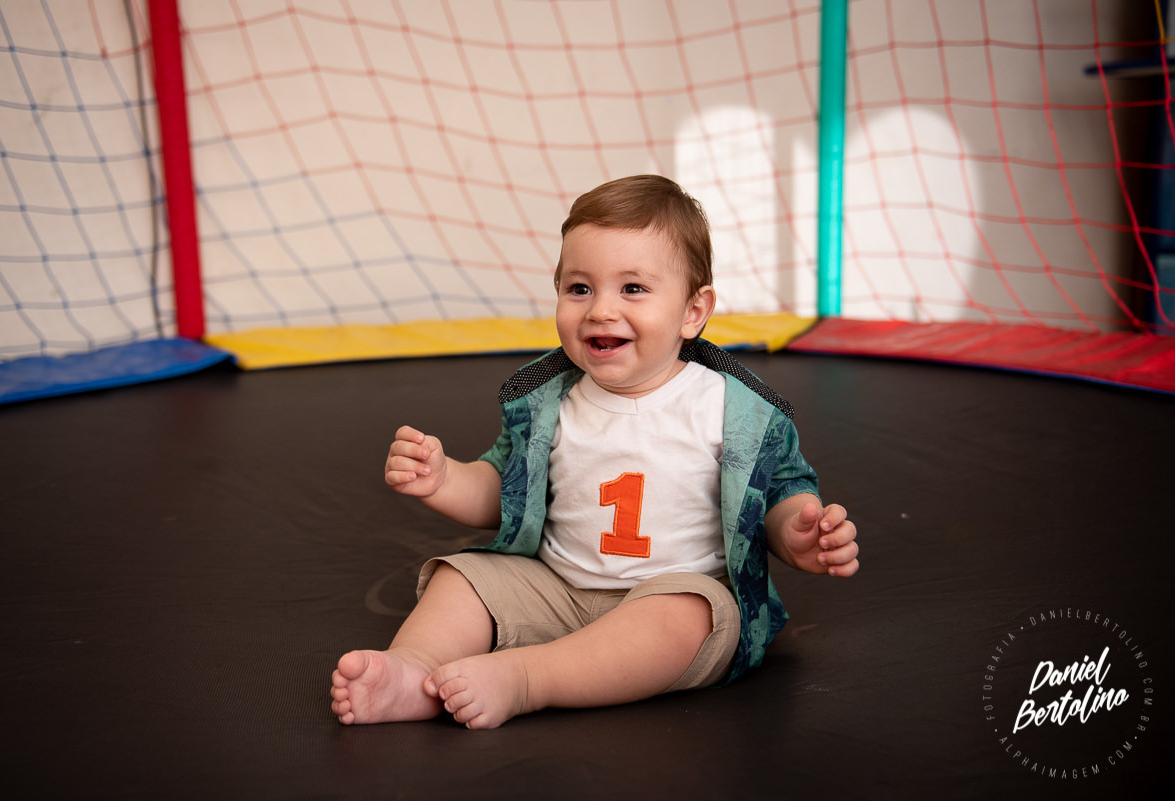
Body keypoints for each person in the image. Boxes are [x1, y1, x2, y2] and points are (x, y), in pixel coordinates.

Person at [330, 174, 859, 730]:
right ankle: (413, 672)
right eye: (580, 289)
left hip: (669, 597)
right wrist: (444, 480)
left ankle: (529, 677)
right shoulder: (547, 403)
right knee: (461, 577)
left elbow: (778, 492)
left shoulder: (733, 409)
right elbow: (501, 494)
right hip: (556, 588)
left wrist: (793, 533)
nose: (601, 310)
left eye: (633, 289)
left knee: (688, 617)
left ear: (692, 311)